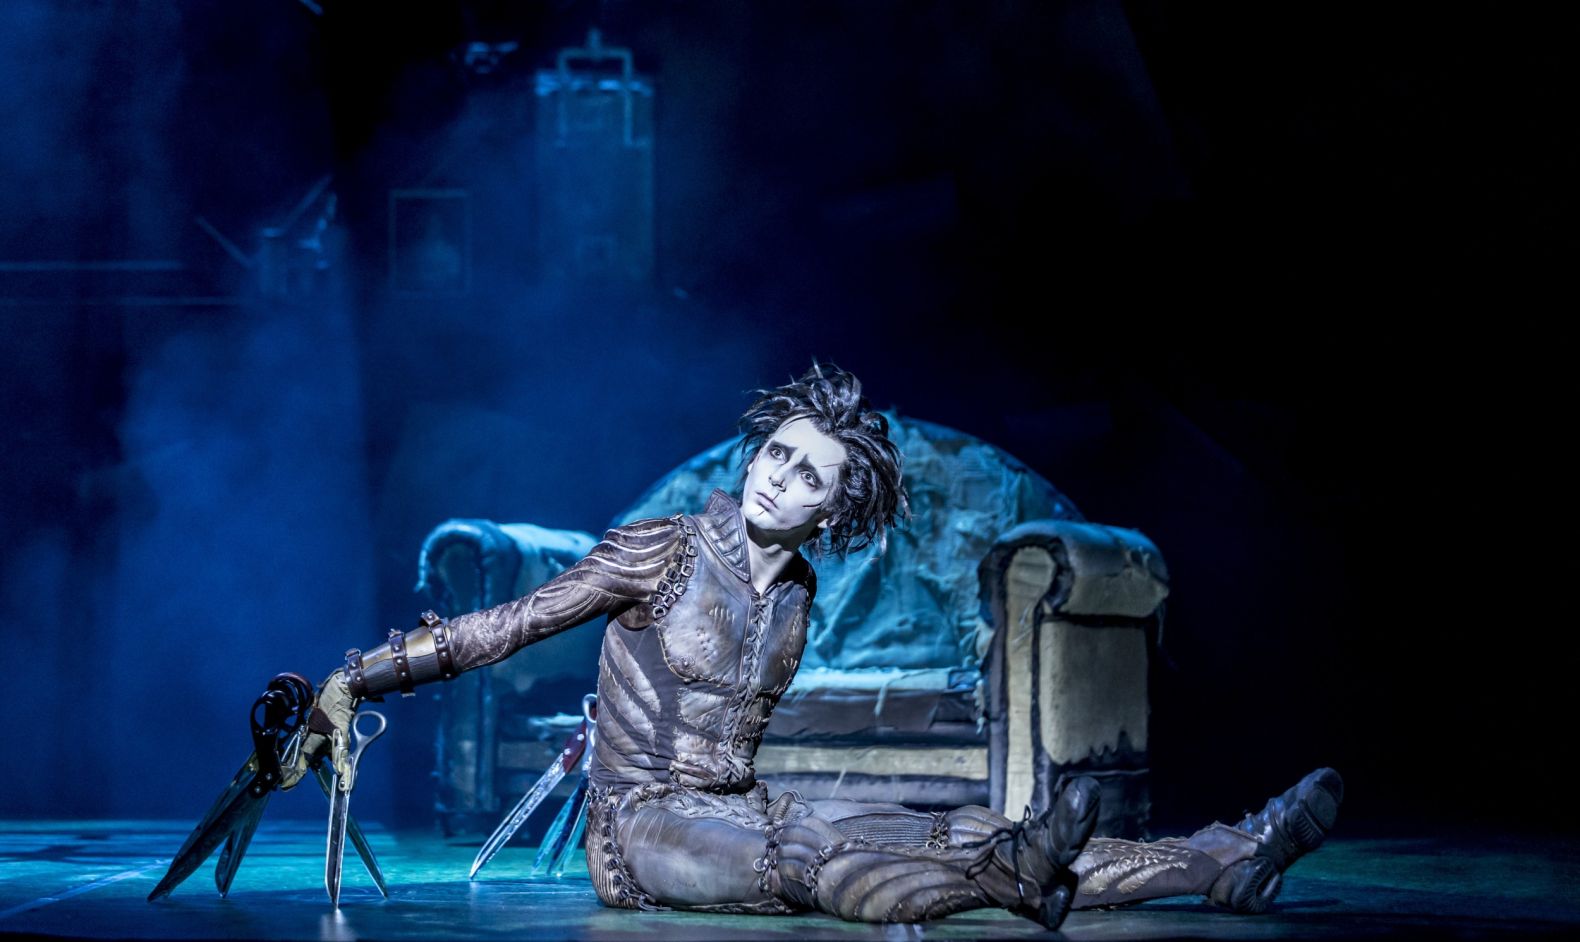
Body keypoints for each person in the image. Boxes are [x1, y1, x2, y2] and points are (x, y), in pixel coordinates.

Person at [281, 363, 1341, 929]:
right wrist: (357, 678)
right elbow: (505, 628)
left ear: (833, 510)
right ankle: (1014, 880)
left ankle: (1224, 856)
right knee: (809, 859)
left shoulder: (799, 592)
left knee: (951, 824)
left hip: (737, 806)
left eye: (806, 476)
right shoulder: (657, 550)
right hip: (641, 834)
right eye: (776, 455)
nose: (776, 479)